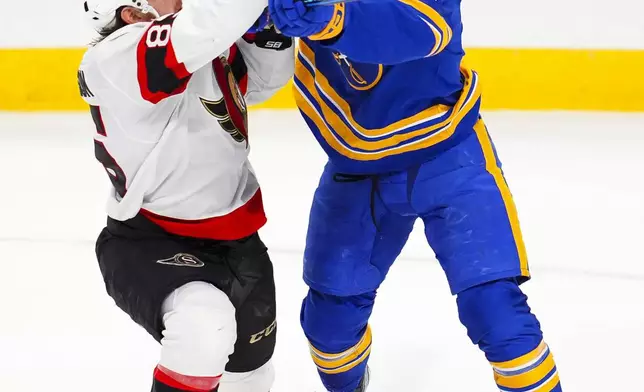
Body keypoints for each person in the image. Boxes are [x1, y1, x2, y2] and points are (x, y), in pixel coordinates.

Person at [267, 0, 562, 391]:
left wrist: (335, 18)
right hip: (356, 165)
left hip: (447, 153)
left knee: (496, 314)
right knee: (329, 326)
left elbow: (415, 28)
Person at [78, 0, 294, 390]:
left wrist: (267, 30)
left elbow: (261, 82)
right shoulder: (116, 56)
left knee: (252, 377)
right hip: (151, 238)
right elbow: (210, 20)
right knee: (203, 328)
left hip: (238, 240)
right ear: (134, 12)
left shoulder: (190, 49)